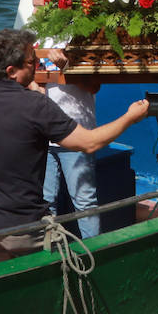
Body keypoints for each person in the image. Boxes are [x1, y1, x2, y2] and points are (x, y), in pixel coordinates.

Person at [0, 29, 148, 263]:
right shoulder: (35, 105)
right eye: (31, 62)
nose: (37, 64)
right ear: (11, 71)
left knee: (12, 276)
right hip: (22, 228)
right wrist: (130, 117)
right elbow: (89, 143)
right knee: (60, 270)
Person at [42, 80, 101, 240]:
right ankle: (49, 253)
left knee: (84, 201)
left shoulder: (80, 55)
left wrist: (65, 70)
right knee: (44, 202)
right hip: (42, 134)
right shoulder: (35, 54)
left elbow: (94, 86)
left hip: (77, 134)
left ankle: (94, 252)